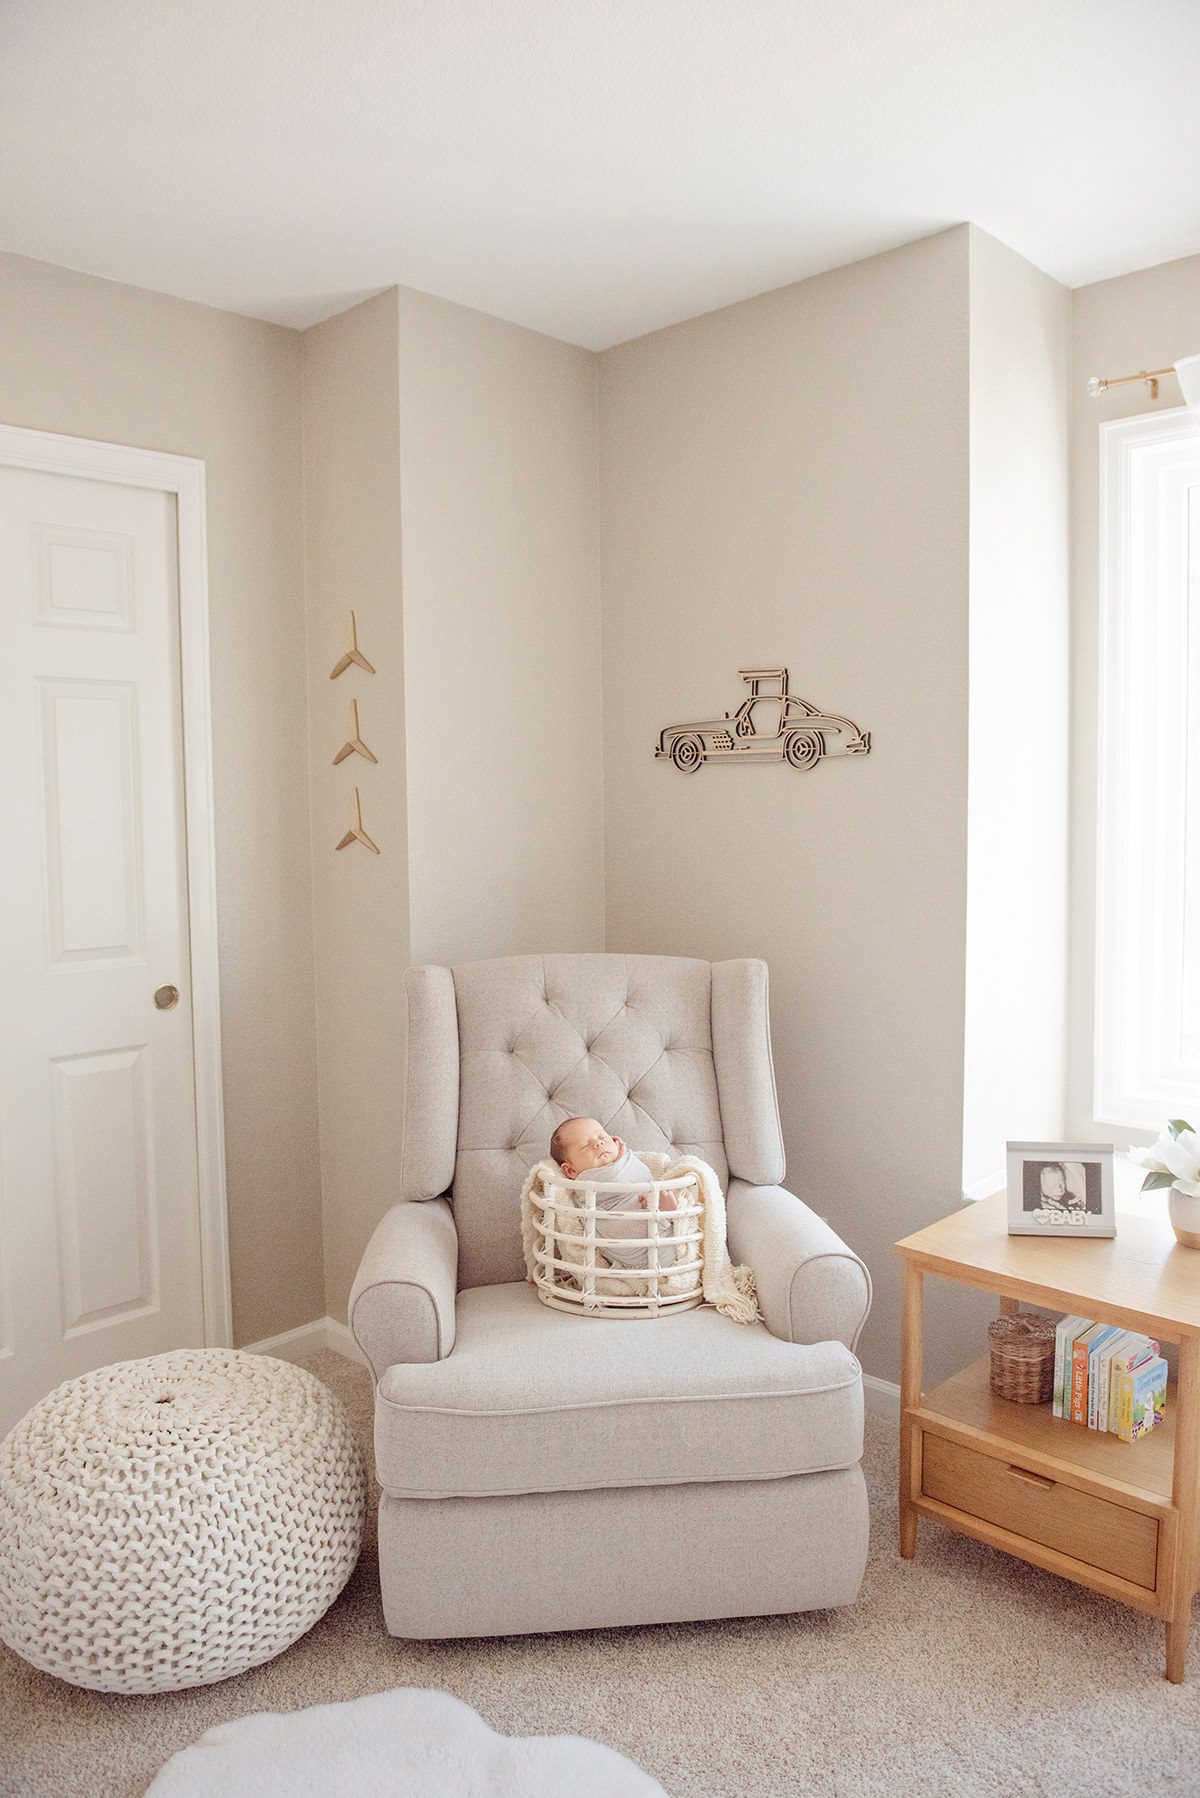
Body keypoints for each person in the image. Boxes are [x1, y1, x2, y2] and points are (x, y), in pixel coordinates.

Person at [549, 1117, 677, 1269]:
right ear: (570, 1170)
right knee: (615, 1227)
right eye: (584, 1146)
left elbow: (646, 1178)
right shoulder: (587, 1188)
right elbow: (609, 1230)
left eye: (602, 1137)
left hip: (670, 1240)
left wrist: (621, 1157)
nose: (598, 1143)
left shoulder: (630, 1160)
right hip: (630, 1239)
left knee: (683, 1187)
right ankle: (662, 1216)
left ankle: (662, 1214)